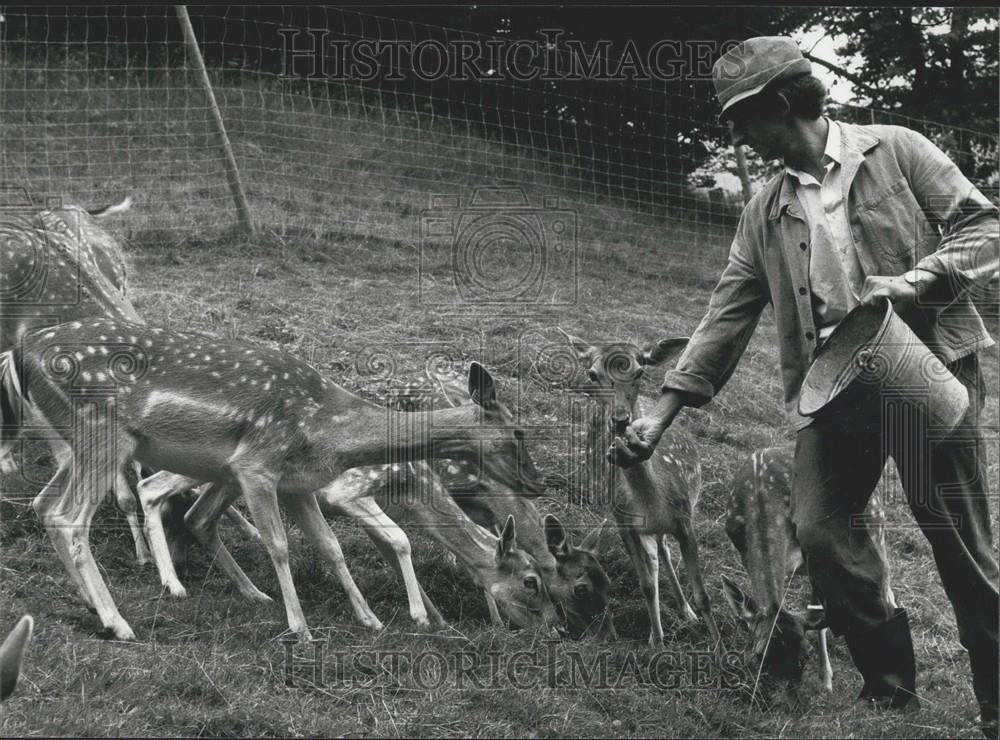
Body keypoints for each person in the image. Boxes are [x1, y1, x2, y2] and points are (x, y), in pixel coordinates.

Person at [611, 36, 999, 736]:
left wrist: (916, 281)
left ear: (785, 103)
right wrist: (659, 415)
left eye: (741, 117)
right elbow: (723, 318)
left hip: (925, 367)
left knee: (957, 539)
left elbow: (985, 226)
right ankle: (889, 692)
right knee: (821, 531)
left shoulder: (897, 150)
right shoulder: (763, 210)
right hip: (835, 384)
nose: (733, 133)